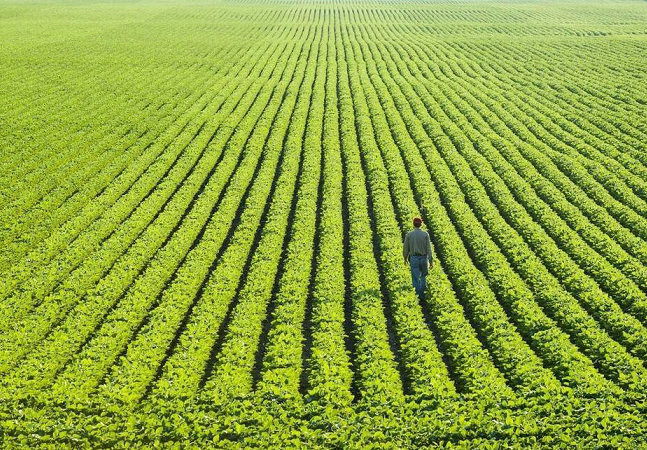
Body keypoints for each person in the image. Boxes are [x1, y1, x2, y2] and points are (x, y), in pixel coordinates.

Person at [403, 217, 433, 298]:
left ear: (413, 224)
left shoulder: (409, 234)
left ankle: (417, 295)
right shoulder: (425, 234)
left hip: (414, 258)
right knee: (423, 276)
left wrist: (405, 258)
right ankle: (423, 294)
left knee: (415, 277)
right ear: (421, 224)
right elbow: (428, 249)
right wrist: (431, 261)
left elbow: (406, 248)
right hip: (423, 258)